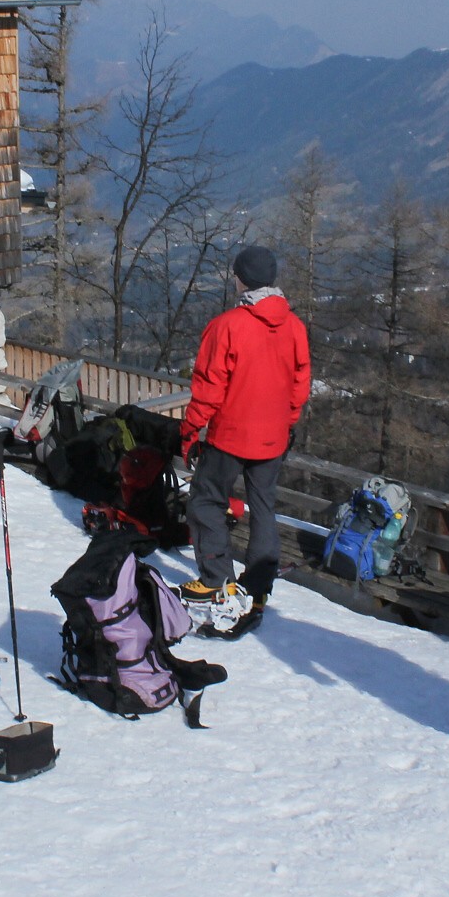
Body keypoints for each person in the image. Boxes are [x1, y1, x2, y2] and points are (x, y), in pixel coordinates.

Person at [178, 245, 312, 619]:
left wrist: (191, 430)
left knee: (207, 501)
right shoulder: (295, 327)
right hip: (273, 438)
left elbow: (208, 388)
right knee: (264, 505)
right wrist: (286, 421)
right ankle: (258, 585)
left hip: (230, 436)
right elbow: (300, 384)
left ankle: (217, 581)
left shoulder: (227, 327)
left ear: (239, 279)